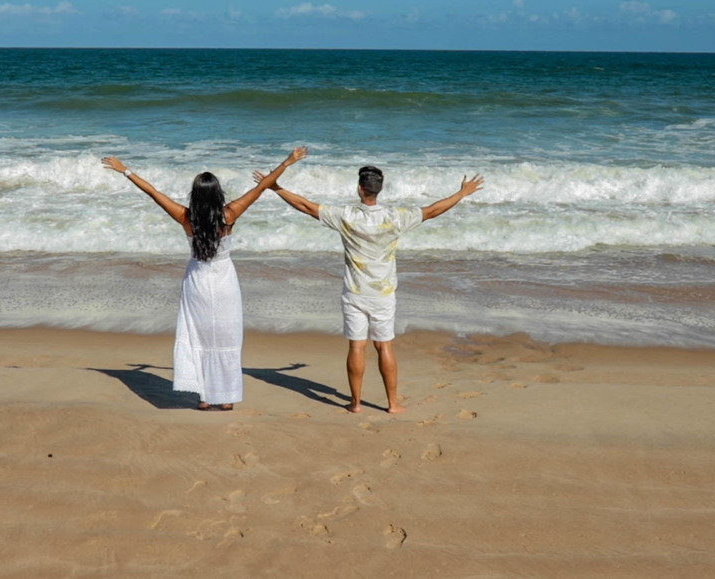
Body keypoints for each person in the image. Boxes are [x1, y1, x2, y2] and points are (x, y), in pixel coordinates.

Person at [256, 164, 483, 413]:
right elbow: (433, 211)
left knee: (357, 346)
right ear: (380, 189)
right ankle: (392, 404)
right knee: (384, 346)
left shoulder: (346, 216)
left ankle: (355, 403)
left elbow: (305, 206)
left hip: (354, 293)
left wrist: (275, 186)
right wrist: (462, 193)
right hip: (383, 295)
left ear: (360, 189)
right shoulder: (395, 217)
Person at [102, 147, 308, 411]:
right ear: (218, 193)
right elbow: (262, 188)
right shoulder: (229, 214)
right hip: (224, 282)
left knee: (199, 338)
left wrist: (126, 170)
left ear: (195, 195)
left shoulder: (185, 217)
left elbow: (153, 193)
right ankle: (227, 398)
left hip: (197, 282)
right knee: (226, 338)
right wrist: (287, 162)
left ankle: (204, 397)